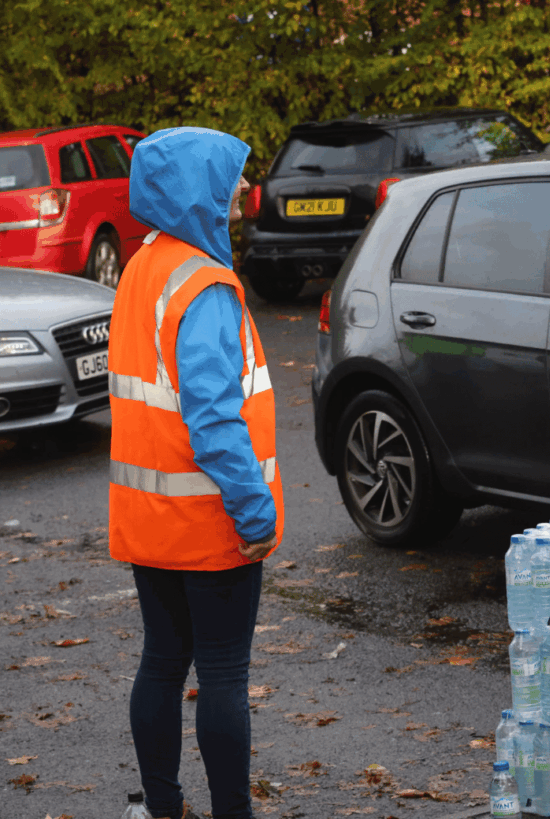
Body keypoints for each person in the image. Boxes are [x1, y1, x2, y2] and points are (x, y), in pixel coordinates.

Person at [107, 127, 285, 819]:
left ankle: (160, 807)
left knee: (161, 661)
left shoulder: (143, 267)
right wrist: (257, 513)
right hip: (211, 523)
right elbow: (213, 421)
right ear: (198, 187)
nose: (243, 187)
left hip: (149, 522)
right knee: (221, 674)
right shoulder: (206, 286)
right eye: (232, 174)